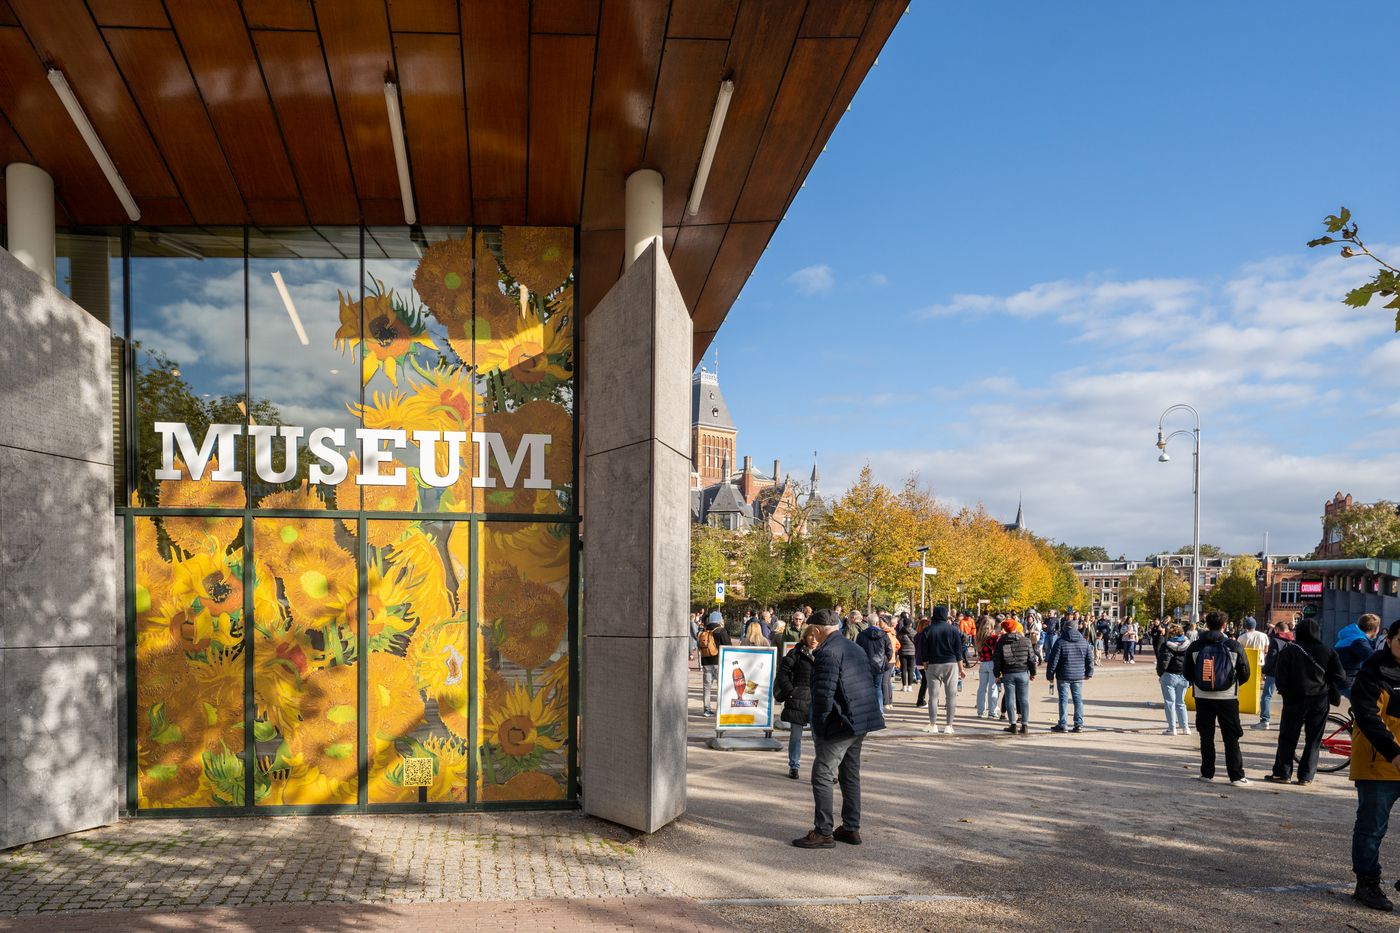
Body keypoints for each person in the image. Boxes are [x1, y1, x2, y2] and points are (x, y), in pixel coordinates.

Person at [792, 608, 884, 849]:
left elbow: (823, 694)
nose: (812, 635)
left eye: (812, 630)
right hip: (860, 720)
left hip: (841, 721)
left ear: (819, 629)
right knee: (850, 774)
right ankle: (851, 828)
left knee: (822, 773)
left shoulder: (827, 652)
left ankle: (823, 831)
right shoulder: (853, 647)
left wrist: (819, 727)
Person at [1347, 619, 1400, 911]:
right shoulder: (1372, 673)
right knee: (1372, 827)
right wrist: (1394, 753)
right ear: (1389, 639)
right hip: (1378, 762)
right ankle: (1367, 883)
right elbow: (1368, 718)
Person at [1265, 616, 1345, 787]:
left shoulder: (1289, 650)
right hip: (1320, 699)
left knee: (1288, 737)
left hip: (1294, 699)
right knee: (1313, 739)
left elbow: (1280, 677)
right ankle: (1306, 776)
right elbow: (1340, 676)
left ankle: (1283, 773)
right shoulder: (1328, 651)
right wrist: (1325, 680)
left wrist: (1286, 693)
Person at [1184, 611, 1251, 786]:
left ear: (1206, 625)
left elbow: (1187, 672)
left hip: (1202, 696)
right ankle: (1236, 776)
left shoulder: (1195, 646)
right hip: (1228, 697)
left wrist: (1200, 683)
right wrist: (1231, 685)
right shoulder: (1233, 645)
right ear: (1224, 626)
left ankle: (1207, 773)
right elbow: (1245, 673)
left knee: (1206, 736)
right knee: (1231, 737)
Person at [775, 624, 818, 780]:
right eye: (810, 635)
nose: (813, 639)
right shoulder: (796, 653)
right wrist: (791, 691)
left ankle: (825, 770)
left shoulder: (825, 652)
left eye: (816, 635)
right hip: (798, 697)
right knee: (795, 736)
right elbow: (782, 673)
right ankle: (794, 765)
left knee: (819, 738)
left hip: (818, 698)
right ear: (805, 637)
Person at [917, 606, 964, 734]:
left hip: (933, 664)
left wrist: (925, 663)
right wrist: (961, 668)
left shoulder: (927, 630)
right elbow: (958, 651)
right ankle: (949, 725)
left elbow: (923, 651)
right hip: (951, 664)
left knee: (933, 696)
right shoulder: (953, 630)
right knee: (951, 695)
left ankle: (933, 724)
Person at [1046, 619, 1094, 733]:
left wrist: (1050, 675)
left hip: (1063, 675)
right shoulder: (1083, 642)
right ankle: (1079, 724)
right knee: (1078, 699)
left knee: (1063, 699)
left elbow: (1053, 661)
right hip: (1078, 675)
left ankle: (1063, 723)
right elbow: (1089, 659)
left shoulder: (1060, 642)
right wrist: (1089, 673)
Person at [993, 617, 1036, 734]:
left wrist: (997, 674)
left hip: (1008, 673)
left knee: (1009, 699)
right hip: (1023, 672)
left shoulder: (1001, 642)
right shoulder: (1025, 640)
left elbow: (997, 660)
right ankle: (1025, 724)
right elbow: (1031, 658)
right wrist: (1033, 673)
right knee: (1024, 699)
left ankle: (1013, 724)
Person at [1254, 619, 1294, 730]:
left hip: (1274, 672)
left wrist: (1264, 671)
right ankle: (1287, 722)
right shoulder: (1293, 640)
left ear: (1277, 629)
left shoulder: (1275, 641)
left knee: (1266, 696)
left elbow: (1271, 658)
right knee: (1287, 698)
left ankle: (1264, 721)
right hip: (1289, 673)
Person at [1156, 623, 1192, 735]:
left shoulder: (1167, 645)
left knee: (1169, 702)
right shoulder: (1188, 645)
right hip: (1184, 675)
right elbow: (1192, 662)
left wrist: (1160, 674)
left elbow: (1163, 662)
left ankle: (1172, 728)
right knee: (1181, 702)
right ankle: (1186, 728)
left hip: (1169, 675)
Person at [1337, 614, 1381, 699]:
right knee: (1371, 705)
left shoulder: (1350, 637)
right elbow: (1374, 661)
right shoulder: (1358, 641)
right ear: (1376, 629)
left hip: (1340, 679)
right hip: (1347, 681)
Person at [697, 610, 732, 716]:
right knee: (721, 686)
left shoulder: (704, 631)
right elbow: (728, 646)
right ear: (719, 619)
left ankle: (706, 709)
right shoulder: (721, 631)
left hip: (706, 662)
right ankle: (721, 709)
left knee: (707, 687)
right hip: (718, 662)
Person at [974, 615, 1002, 719]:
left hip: (983, 663)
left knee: (981, 688)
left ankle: (980, 711)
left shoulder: (978, 636)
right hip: (992, 662)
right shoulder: (994, 638)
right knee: (993, 687)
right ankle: (992, 711)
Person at [895, 612, 918, 691]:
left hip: (902, 652)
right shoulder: (914, 633)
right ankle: (910, 686)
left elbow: (897, 642)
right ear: (911, 624)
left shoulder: (900, 633)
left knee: (903, 669)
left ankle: (904, 686)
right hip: (912, 652)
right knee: (911, 669)